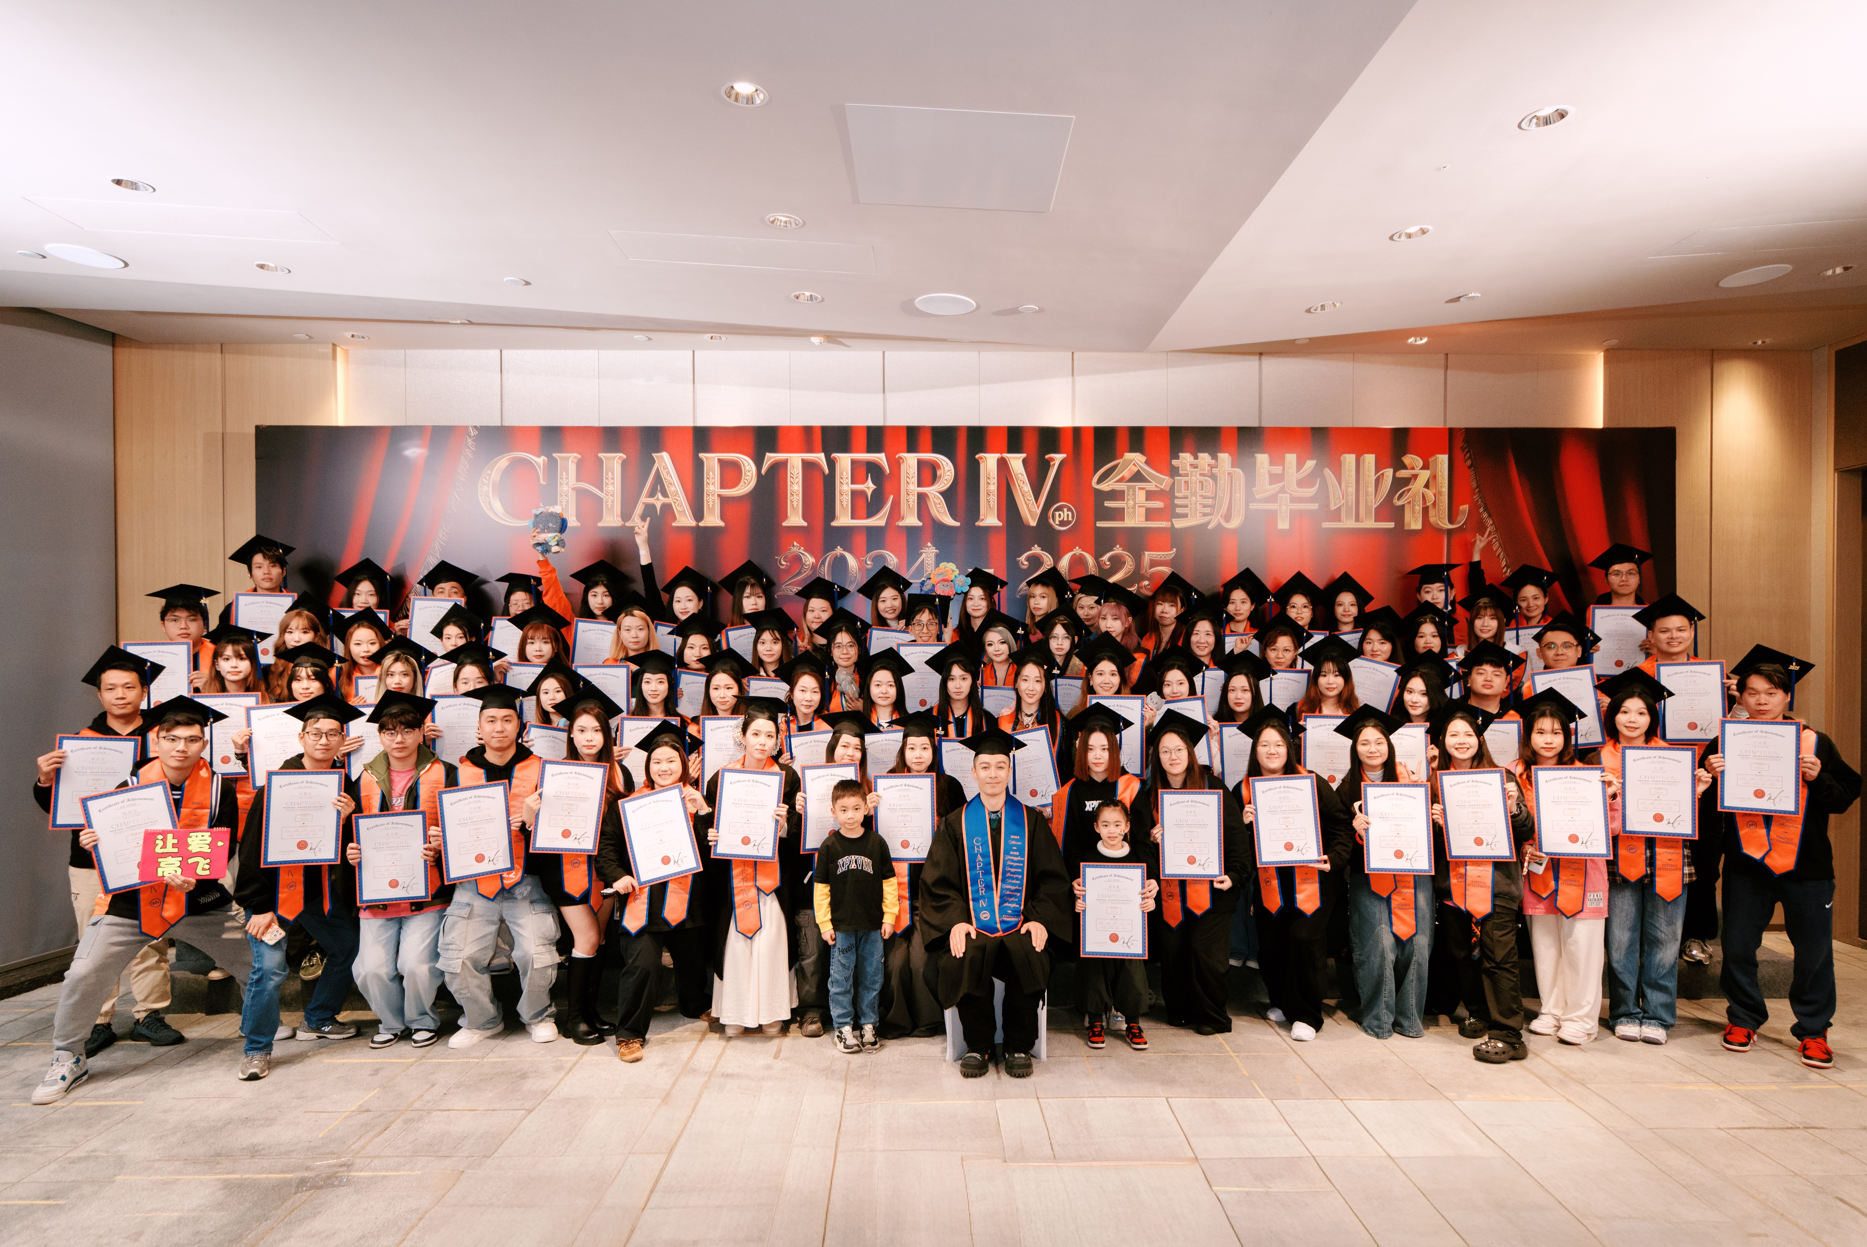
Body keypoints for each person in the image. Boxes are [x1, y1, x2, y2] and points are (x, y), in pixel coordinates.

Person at [34, 698, 256, 1102]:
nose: (181, 747)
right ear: (157, 741)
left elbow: (221, 848)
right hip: (130, 903)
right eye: (172, 739)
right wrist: (94, 842)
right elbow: (114, 847)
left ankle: (258, 1029)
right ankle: (68, 1057)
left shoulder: (220, 788)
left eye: (192, 740)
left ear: (204, 744)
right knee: (83, 973)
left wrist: (193, 874)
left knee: (256, 964)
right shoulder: (128, 786)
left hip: (199, 899)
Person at [1705, 650, 1860, 1069]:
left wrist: (1818, 777)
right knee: (1738, 946)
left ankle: (1813, 1030)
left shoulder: (1815, 742)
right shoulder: (1724, 743)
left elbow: (1845, 795)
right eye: (1752, 693)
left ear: (1786, 696)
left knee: (1813, 953)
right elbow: (1700, 806)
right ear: (1740, 697)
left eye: (1770, 693)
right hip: (1746, 864)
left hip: (1807, 867)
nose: (1761, 701)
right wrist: (1709, 775)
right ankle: (1743, 1019)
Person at [33, 648, 181, 1056]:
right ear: (99, 695)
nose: (120, 695)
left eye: (128, 687)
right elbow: (56, 806)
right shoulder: (80, 744)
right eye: (111, 688)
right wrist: (45, 780)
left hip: (145, 853)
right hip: (91, 856)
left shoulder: (163, 737)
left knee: (151, 933)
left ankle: (150, 1014)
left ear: (143, 691)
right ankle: (98, 1020)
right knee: (95, 941)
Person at [917, 726, 1070, 1078]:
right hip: (974, 924)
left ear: (1009, 771)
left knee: (1029, 950)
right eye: (985, 767)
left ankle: (1019, 1045)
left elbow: (1052, 880)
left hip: (1020, 922)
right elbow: (939, 883)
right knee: (964, 952)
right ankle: (979, 1045)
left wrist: (1039, 919)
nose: (993, 774)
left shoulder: (1031, 822)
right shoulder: (955, 824)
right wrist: (955, 920)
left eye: (1000, 766)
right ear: (973, 772)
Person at [236, 693, 364, 1050]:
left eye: (332, 734)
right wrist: (259, 906)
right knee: (269, 969)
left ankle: (319, 1018)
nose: (324, 740)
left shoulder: (345, 786)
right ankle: (256, 1046)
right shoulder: (278, 784)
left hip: (317, 893)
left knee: (347, 946)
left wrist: (348, 820)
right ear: (301, 738)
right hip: (273, 894)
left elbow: (347, 850)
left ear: (342, 740)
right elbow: (251, 848)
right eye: (316, 734)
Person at [436, 684, 562, 1047]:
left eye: (507, 720)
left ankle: (538, 1015)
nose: (499, 727)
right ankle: (482, 1020)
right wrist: (441, 840)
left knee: (536, 953)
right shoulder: (459, 773)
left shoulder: (541, 770)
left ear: (520, 726)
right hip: (476, 882)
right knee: (459, 957)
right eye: (490, 720)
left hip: (526, 880)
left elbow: (557, 834)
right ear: (479, 726)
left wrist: (531, 824)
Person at [1597, 670, 1714, 1044]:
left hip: (1667, 854)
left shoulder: (1675, 758)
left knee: (1664, 940)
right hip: (1617, 856)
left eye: (1641, 712)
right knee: (1620, 941)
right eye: (1624, 711)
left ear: (1652, 717)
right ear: (1612, 715)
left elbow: (1685, 815)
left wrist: (1697, 792)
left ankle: (1658, 1016)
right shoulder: (1595, 759)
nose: (1632, 719)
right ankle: (1625, 1012)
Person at [521, 685, 631, 1044]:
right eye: (581, 730)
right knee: (586, 937)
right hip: (567, 870)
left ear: (607, 735)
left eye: (596, 730)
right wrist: (529, 816)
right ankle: (574, 1019)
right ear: (570, 733)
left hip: (605, 870)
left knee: (598, 939)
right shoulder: (556, 774)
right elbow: (539, 830)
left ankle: (590, 1013)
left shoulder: (620, 774)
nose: (589, 737)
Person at [1236, 708, 1354, 1041]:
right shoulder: (1243, 790)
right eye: (1264, 745)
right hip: (1270, 881)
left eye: (1278, 744)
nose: (1271, 751)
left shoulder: (1310, 782)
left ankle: (1306, 1014)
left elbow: (1341, 825)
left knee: (1304, 939)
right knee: (1272, 944)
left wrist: (1335, 858)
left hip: (1312, 879)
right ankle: (1283, 1002)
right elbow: (1234, 845)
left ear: (1289, 748)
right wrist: (1244, 824)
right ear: (1255, 750)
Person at [1426, 702, 1535, 1063]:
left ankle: (1508, 1034)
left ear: (1479, 739)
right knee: (1461, 955)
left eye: (1468, 734)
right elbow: (1428, 846)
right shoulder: (1435, 783)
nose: (1461, 740)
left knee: (1499, 958)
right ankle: (1479, 1011)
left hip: (1496, 884)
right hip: (1454, 886)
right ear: (1443, 741)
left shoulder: (1502, 778)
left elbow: (1526, 828)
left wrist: (1513, 808)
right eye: (1453, 734)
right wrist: (1436, 825)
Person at [347, 691, 455, 1049]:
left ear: (421, 732)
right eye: (390, 731)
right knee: (369, 969)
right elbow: (351, 832)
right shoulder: (363, 777)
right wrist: (351, 851)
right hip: (377, 891)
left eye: (408, 730)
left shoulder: (446, 773)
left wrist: (441, 846)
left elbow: (462, 831)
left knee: (417, 966)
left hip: (429, 890)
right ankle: (392, 1023)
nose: (399, 739)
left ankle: (422, 1019)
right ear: (380, 735)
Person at [599, 720, 711, 1062]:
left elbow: (712, 854)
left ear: (683, 765)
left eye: (672, 761)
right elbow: (606, 846)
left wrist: (703, 812)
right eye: (657, 761)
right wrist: (618, 875)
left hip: (686, 899)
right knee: (643, 965)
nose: (664, 768)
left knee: (693, 958)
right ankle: (629, 1033)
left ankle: (694, 1005)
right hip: (643, 901)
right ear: (648, 766)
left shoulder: (696, 801)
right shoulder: (629, 804)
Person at [1133, 710, 1248, 1036]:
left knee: (1201, 949)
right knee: (1172, 950)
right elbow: (1140, 848)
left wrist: (1234, 875)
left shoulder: (1214, 789)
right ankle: (1181, 1009)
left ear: (1190, 752)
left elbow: (1236, 839)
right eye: (1165, 751)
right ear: (1157, 757)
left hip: (1212, 891)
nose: (1172, 756)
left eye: (1179, 750)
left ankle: (1214, 1016)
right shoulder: (1147, 798)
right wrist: (1153, 845)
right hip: (1170, 892)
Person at [698, 698, 803, 1036]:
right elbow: (707, 825)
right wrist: (711, 834)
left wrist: (784, 825)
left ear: (777, 741)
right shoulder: (721, 778)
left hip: (774, 878)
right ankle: (734, 1012)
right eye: (755, 734)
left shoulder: (787, 777)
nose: (762, 742)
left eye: (769, 736)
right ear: (742, 736)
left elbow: (798, 829)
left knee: (771, 940)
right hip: (733, 879)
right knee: (736, 943)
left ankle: (772, 1011)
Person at [1630, 594, 1722, 962]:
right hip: (1653, 773)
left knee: (1704, 857)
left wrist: (1735, 706)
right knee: (1653, 856)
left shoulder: (1712, 677)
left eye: (1681, 629)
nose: (1673, 636)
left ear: (1692, 632)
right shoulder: (1636, 678)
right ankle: (1647, 936)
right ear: (1650, 636)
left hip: (1703, 774)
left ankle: (1696, 935)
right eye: (1664, 630)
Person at [1514, 689, 1607, 1045]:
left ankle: (1581, 1019)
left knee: (1582, 945)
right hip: (1538, 871)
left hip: (1583, 873)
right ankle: (1551, 1010)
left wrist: (1611, 798)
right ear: (1529, 736)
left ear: (1567, 737)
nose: (1548, 739)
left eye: (1556, 732)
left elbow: (1612, 827)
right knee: (1546, 946)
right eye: (1540, 732)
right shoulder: (1515, 774)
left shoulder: (1589, 776)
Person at [1335, 707, 1432, 1040]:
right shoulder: (1347, 789)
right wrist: (1354, 830)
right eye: (1364, 743)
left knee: (1417, 946)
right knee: (1377, 944)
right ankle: (1377, 1019)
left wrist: (1428, 804)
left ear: (1389, 746)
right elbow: (1339, 841)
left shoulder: (1412, 782)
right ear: (1355, 748)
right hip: (1369, 877)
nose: (1373, 749)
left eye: (1379, 742)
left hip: (1414, 875)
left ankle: (1409, 1019)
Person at [876, 713, 963, 1039]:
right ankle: (896, 1021)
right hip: (896, 890)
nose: (917, 755)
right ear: (903, 750)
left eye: (924, 748)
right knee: (895, 962)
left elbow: (961, 835)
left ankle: (928, 1021)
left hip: (933, 891)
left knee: (919, 960)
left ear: (933, 751)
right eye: (911, 748)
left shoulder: (949, 786)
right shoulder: (886, 785)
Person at [815, 778, 898, 1053]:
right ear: (833, 811)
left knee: (872, 977)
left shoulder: (877, 843)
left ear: (866, 809)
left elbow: (889, 883)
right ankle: (843, 1027)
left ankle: (869, 1024)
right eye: (843, 810)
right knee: (840, 979)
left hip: (872, 925)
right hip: (841, 927)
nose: (850, 815)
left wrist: (889, 917)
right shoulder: (829, 846)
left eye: (856, 808)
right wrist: (824, 923)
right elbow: (821, 889)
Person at [1067, 800, 1157, 1051]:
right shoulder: (1087, 858)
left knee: (1131, 970)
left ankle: (1133, 1022)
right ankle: (1095, 1020)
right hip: (1097, 928)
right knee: (1094, 967)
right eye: (1105, 825)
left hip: (1128, 930)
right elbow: (1081, 895)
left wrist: (1150, 903)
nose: (1112, 830)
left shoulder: (1137, 859)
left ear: (1127, 827)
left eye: (1118, 825)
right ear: (1096, 827)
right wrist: (1079, 904)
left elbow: (1144, 896)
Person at [215, 534, 294, 627]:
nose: (266, 571)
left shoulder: (298, 606)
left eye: (273, 566)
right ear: (250, 573)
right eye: (259, 567)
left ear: (283, 571)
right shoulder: (233, 609)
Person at [150, 583, 216, 687]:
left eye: (191, 619)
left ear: (205, 625)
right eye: (175, 620)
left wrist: (213, 686)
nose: (183, 626)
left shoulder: (221, 657)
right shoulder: (152, 659)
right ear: (163, 626)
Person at [856, 565, 913, 633]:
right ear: (876, 604)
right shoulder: (869, 635)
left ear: (902, 600)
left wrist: (914, 626)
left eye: (894, 599)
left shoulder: (914, 629)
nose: (890, 605)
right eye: (883, 600)